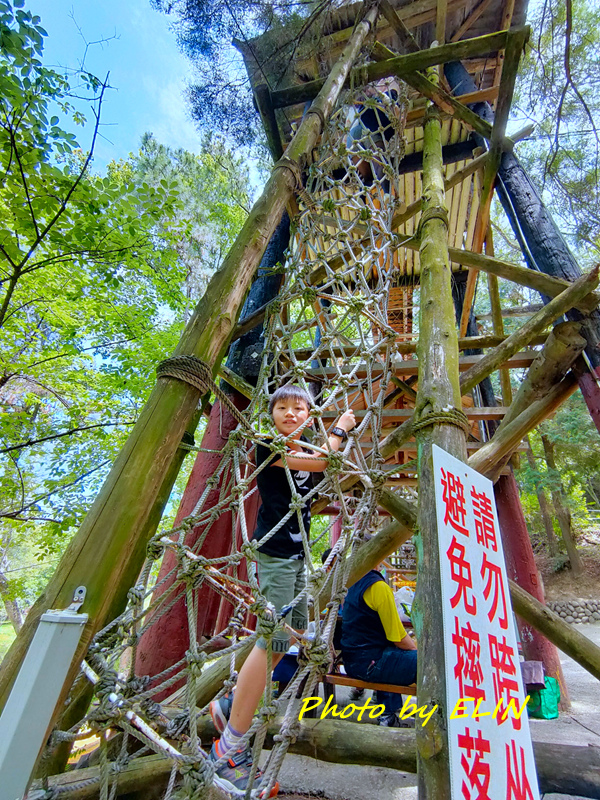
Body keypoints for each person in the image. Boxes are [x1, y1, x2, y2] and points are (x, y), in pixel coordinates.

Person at [209, 384, 356, 797]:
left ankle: (227, 706)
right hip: (274, 556)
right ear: (271, 414)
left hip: (294, 558)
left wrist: (335, 436)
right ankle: (228, 746)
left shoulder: (305, 450)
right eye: (283, 408)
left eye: (299, 408)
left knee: (285, 638)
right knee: (271, 637)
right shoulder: (266, 444)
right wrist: (342, 428)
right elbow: (327, 459)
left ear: (309, 415)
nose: (291, 414)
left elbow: (320, 462)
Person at [341, 564, 417, 727]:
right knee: (425, 662)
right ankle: (435, 714)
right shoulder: (378, 587)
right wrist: (417, 652)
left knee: (392, 654)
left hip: (351, 663)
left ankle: (388, 714)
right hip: (371, 665)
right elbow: (399, 638)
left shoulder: (350, 584)